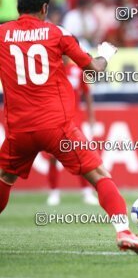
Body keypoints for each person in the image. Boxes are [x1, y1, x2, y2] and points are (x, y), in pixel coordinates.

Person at [0, 0, 138, 254]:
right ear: (45, 8)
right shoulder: (57, 33)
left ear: (17, 7)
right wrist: (105, 55)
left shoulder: (1, 33)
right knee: (99, 174)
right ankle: (124, 232)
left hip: (18, 129)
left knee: (4, 179)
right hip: (56, 126)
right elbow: (93, 70)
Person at [47, 56, 98, 206]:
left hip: (74, 120)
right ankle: (54, 192)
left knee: (81, 156)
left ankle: (86, 192)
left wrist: (91, 117)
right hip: (55, 119)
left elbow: (87, 93)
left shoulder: (78, 71)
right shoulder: (53, 70)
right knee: (53, 156)